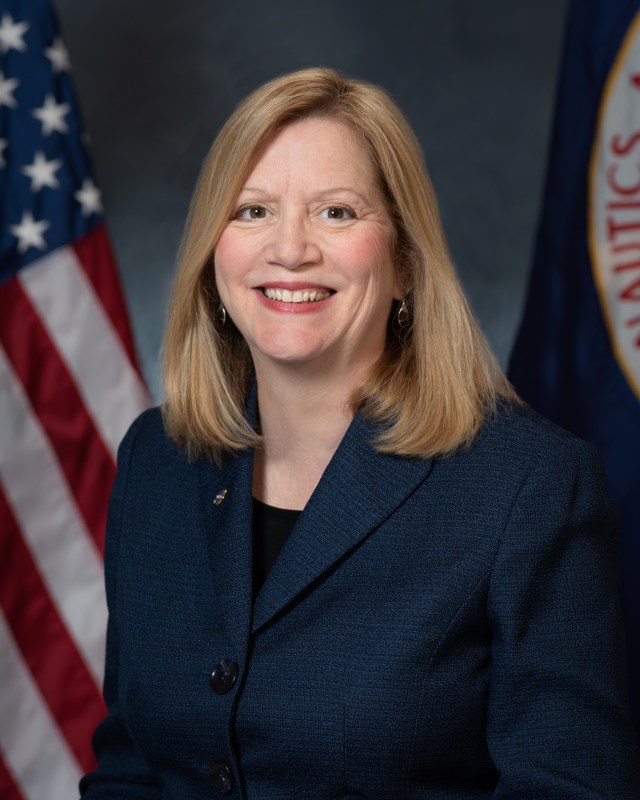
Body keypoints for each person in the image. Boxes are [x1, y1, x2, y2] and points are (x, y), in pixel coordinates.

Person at [79, 67, 640, 799]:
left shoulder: (529, 485)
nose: (290, 249)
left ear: (405, 262)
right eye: (252, 211)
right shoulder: (158, 459)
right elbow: (130, 771)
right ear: (213, 251)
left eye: (336, 213)